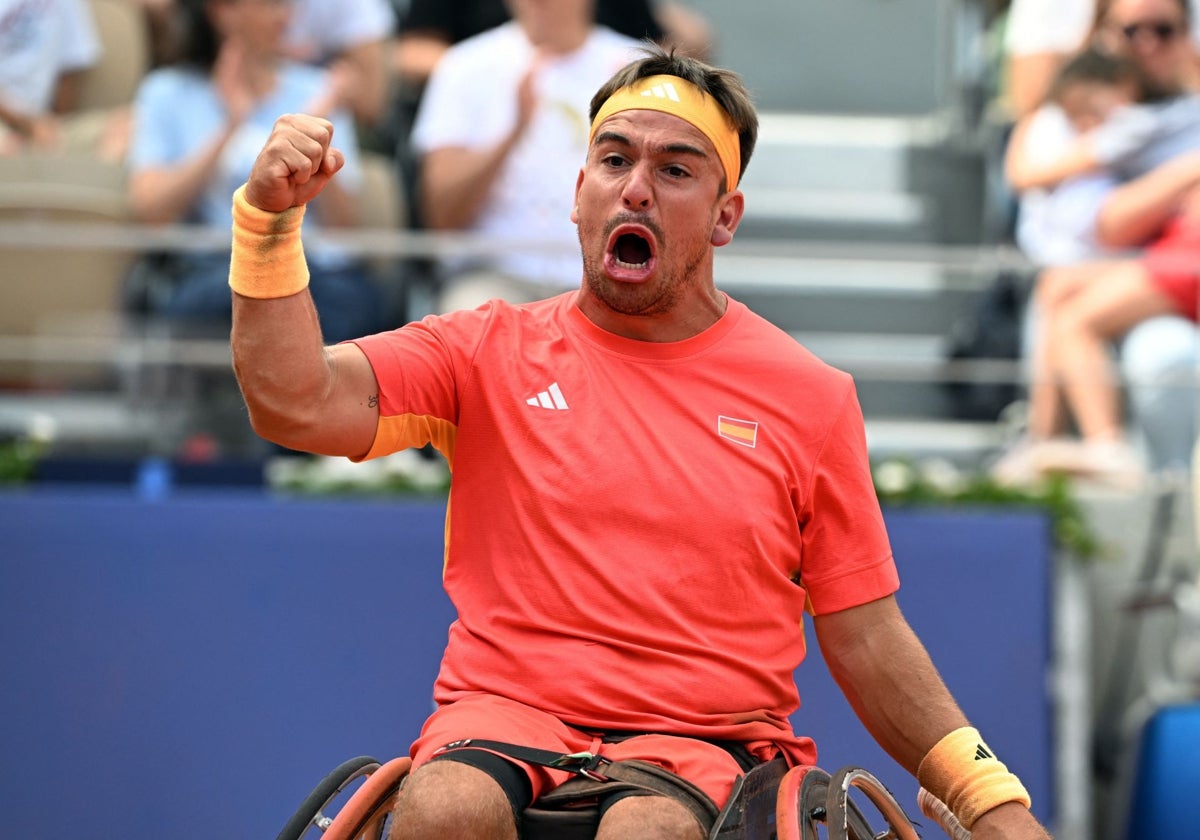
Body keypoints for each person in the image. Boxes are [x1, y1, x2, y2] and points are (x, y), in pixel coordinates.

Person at [228, 46, 1053, 840]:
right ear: (579, 189)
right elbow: (294, 402)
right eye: (615, 160)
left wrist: (987, 801)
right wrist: (267, 224)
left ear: (726, 215)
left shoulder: (810, 397)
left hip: (707, 744)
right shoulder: (483, 349)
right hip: (500, 716)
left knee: (648, 828)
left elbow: (867, 635)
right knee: (444, 808)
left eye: (676, 170)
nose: (637, 189)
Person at [997, 0, 1200, 483]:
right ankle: (1044, 441)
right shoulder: (1087, 114)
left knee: (1072, 318)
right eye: (1133, 30)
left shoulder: (1164, 117)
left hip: (1180, 258)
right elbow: (1022, 171)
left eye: (1163, 30)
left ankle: (1106, 448)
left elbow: (1112, 224)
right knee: (1055, 291)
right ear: (1104, 32)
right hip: (1158, 257)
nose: (1148, 44)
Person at [126, 0, 384, 344]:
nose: (286, 16)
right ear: (223, 12)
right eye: (271, 4)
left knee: (340, 297)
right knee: (267, 292)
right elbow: (150, 212)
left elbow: (345, 227)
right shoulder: (166, 93)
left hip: (316, 271)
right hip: (215, 270)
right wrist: (231, 125)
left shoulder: (319, 91)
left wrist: (315, 138)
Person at [408, 0, 645, 312]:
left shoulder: (638, 68)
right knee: (469, 322)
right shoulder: (463, 65)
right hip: (491, 279)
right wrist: (513, 132)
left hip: (610, 278)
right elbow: (440, 217)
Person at [0, 0, 104, 156]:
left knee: (128, 129)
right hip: (13, 121)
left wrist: (54, 125)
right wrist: (28, 123)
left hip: (46, 119)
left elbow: (71, 66)